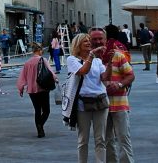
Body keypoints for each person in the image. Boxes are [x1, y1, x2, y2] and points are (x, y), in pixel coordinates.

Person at [64, 29, 111, 163]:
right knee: (83, 139)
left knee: (100, 139)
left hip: (100, 100)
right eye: (85, 41)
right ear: (78, 44)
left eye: (89, 41)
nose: (89, 43)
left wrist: (110, 62)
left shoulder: (97, 61)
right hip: (82, 103)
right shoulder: (72, 60)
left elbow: (105, 77)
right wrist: (91, 56)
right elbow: (83, 71)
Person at [103, 25, 135, 163]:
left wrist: (120, 84)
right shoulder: (92, 57)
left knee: (122, 138)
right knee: (107, 139)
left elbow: (130, 75)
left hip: (119, 103)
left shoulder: (118, 53)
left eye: (101, 38)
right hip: (102, 105)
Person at [17, 41, 57, 137]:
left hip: (31, 90)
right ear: (40, 50)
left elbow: (22, 77)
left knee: (37, 110)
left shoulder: (27, 63)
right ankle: (40, 125)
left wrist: (21, 88)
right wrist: (55, 79)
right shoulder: (43, 60)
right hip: (43, 88)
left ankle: (39, 130)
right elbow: (51, 72)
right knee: (46, 110)